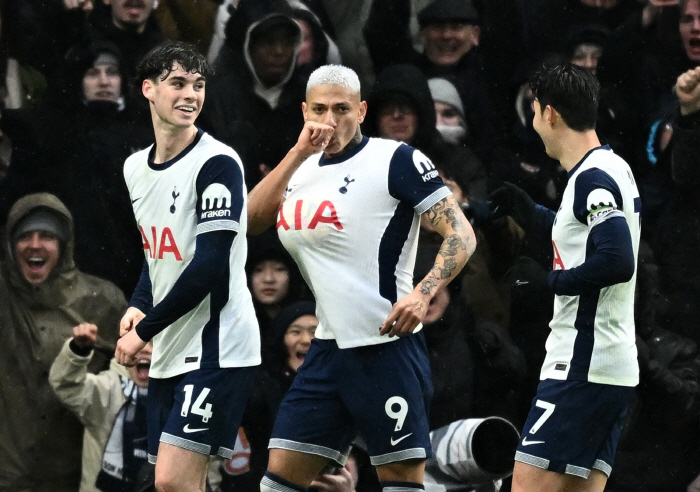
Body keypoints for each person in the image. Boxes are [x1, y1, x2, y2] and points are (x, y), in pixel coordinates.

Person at [247, 64, 476, 492]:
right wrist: (296, 153)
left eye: (342, 109)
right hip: (328, 349)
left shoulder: (396, 159)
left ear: (362, 110)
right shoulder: (300, 169)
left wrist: (423, 293)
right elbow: (252, 221)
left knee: (402, 484)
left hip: (386, 347)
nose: (329, 121)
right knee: (278, 479)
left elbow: (461, 234)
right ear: (303, 111)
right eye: (319, 109)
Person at [114, 41, 261, 492]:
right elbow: (157, 251)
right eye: (177, 83)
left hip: (220, 345)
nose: (190, 95)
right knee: (177, 485)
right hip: (172, 348)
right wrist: (140, 302)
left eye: (198, 86)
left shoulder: (218, 164)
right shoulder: (135, 167)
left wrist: (145, 330)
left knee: (174, 482)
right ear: (148, 89)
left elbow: (210, 266)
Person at [490, 63, 640, 491]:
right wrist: (532, 213)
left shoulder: (591, 178)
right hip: (609, 369)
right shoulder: (612, 167)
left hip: (580, 368)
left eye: (535, 111)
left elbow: (617, 260)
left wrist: (547, 283)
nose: (534, 123)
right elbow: (588, 236)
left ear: (550, 113)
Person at [0, 192, 125, 491]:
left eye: (47, 236)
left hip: (72, 475)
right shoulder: (4, 293)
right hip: (7, 475)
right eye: (24, 236)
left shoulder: (102, 300)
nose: (34, 245)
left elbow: (136, 377)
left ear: (64, 245)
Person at [49, 323, 153, 492]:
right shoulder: (108, 388)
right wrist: (77, 351)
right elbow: (66, 386)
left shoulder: (181, 395)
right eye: (137, 342)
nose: (146, 350)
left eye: (154, 344)